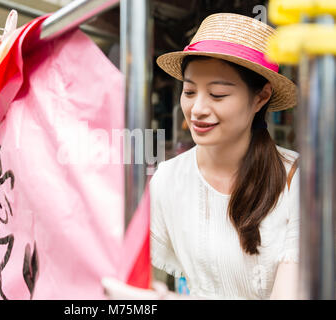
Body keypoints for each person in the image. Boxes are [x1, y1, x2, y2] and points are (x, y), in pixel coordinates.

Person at [103, 13, 300, 300]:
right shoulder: (169, 178)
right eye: (190, 91)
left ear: (260, 97)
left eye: (218, 94)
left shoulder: (298, 182)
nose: (197, 109)